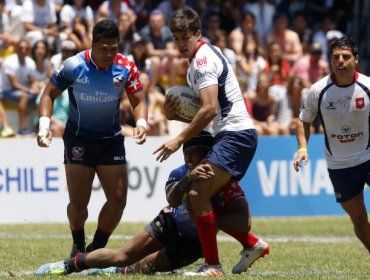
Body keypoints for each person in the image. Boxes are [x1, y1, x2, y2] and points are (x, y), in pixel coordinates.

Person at [35, 132, 269, 276]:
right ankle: (67, 265)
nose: (190, 160)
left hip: (192, 245)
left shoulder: (225, 182)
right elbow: (173, 199)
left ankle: (106, 272)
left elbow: (243, 222)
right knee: (122, 256)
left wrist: (206, 218)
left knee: (135, 269)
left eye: (196, 155)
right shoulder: (180, 173)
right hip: (167, 223)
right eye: (187, 155)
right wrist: (189, 178)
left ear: (209, 156)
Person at [153, 8, 258, 276]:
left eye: (185, 37)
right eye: (176, 37)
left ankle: (213, 265)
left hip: (235, 134)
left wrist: (177, 140)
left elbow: (209, 109)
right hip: (231, 134)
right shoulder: (198, 61)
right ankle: (251, 245)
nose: (180, 43)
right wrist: (171, 112)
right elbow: (200, 107)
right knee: (201, 195)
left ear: (198, 34)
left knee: (197, 193)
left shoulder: (202, 62)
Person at [36, 19, 148, 258]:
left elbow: (138, 100)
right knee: (78, 206)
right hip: (78, 140)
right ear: (92, 44)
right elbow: (48, 94)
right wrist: (44, 125)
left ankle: (95, 249)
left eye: (114, 48)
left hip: (110, 140)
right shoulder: (73, 65)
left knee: (118, 202)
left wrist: (141, 122)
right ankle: (78, 243)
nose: (109, 54)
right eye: (103, 48)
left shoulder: (126, 66)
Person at [293, 37, 370, 254]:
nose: (340, 61)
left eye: (346, 57)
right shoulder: (318, 91)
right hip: (340, 166)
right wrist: (302, 149)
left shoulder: (368, 86)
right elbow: (304, 120)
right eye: (336, 57)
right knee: (359, 222)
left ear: (356, 59)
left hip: (368, 157)